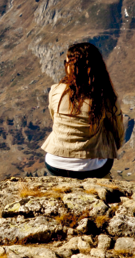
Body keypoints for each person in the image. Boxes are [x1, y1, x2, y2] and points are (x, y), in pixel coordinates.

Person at [40, 42, 125, 179]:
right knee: (108, 124)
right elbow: (117, 131)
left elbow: (54, 118)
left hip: (54, 164)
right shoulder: (105, 97)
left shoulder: (55, 90)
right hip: (91, 169)